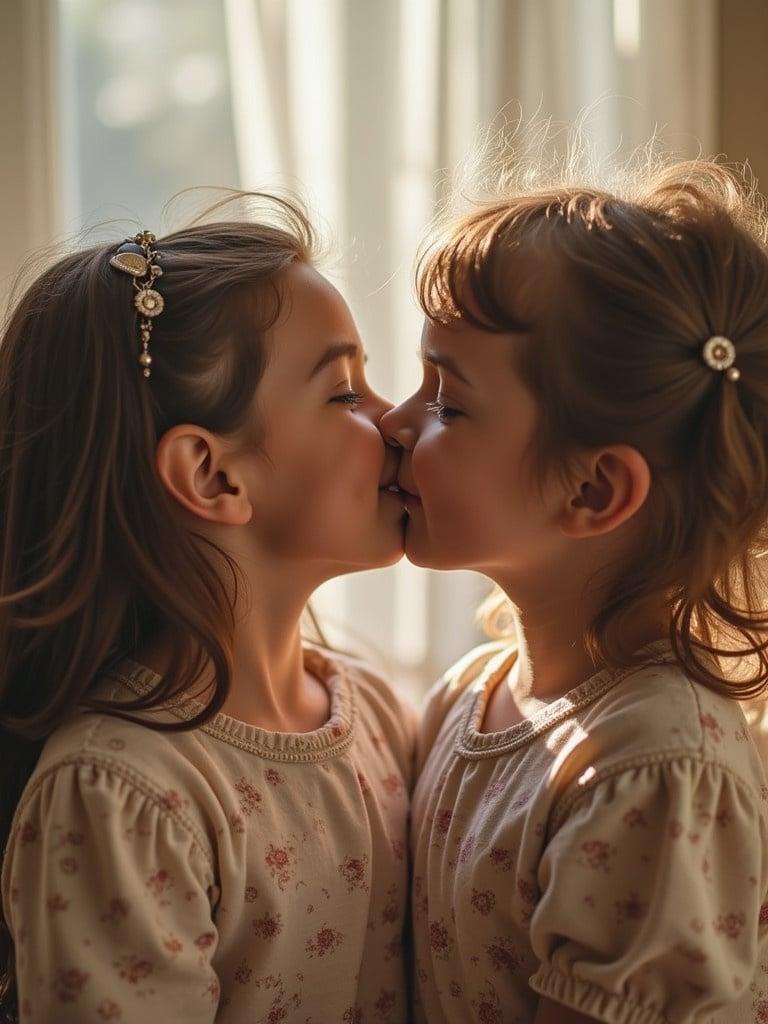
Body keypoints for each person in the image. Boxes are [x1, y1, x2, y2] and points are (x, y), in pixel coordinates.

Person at [0, 193, 414, 1023]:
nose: (397, 418)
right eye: (344, 392)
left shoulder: (372, 709)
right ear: (212, 475)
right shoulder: (118, 794)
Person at [381, 158, 768, 1023]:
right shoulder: (470, 694)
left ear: (591, 492)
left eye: (448, 403)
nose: (395, 424)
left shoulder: (658, 769)